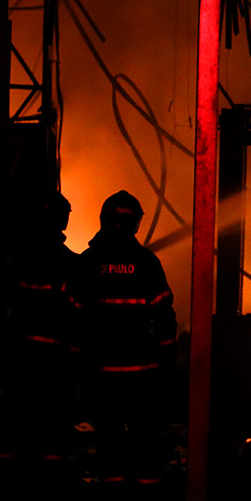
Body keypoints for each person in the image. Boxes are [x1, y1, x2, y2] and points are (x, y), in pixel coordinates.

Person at [69, 190, 177, 484]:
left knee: (109, 441)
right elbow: (165, 316)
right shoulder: (147, 263)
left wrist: (76, 364)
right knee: (145, 441)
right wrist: (167, 357)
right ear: (135, 224)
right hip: (143, 374)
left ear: (105, 219)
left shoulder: (88, 263)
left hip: (101, 373)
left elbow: (73, 320)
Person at [0, 188, 79, 463]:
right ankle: (50, 474)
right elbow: (78, 314)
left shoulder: (15, 259)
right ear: (63, 221)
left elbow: (4, 305)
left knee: (15, 414)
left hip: (19, 354)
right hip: (56, 357)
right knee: (53, 419)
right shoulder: (72, 264)